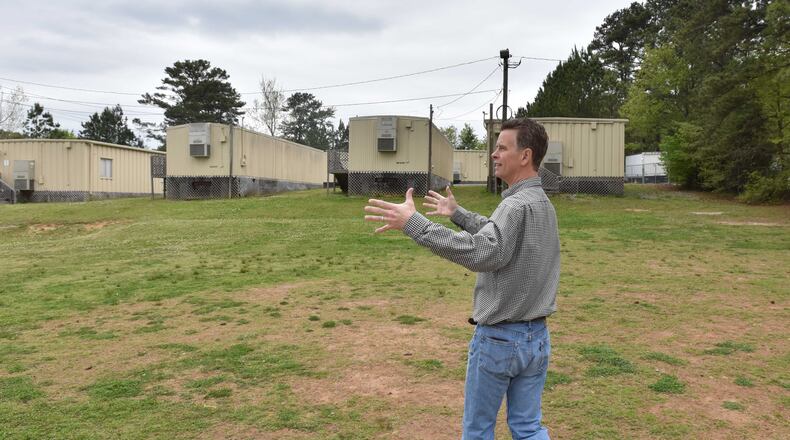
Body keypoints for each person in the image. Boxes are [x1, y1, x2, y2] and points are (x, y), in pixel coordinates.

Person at [363, 117, 559, 440]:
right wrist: (458, 214)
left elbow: (482, 252)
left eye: (501, 147)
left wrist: (414, 223)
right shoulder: (542, 204)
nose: (494, 154)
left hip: (500, 341)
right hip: (536, 339)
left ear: (525, 156)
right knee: (528, 428)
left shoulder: (514, 206)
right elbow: (500, 238)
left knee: (477, 431)